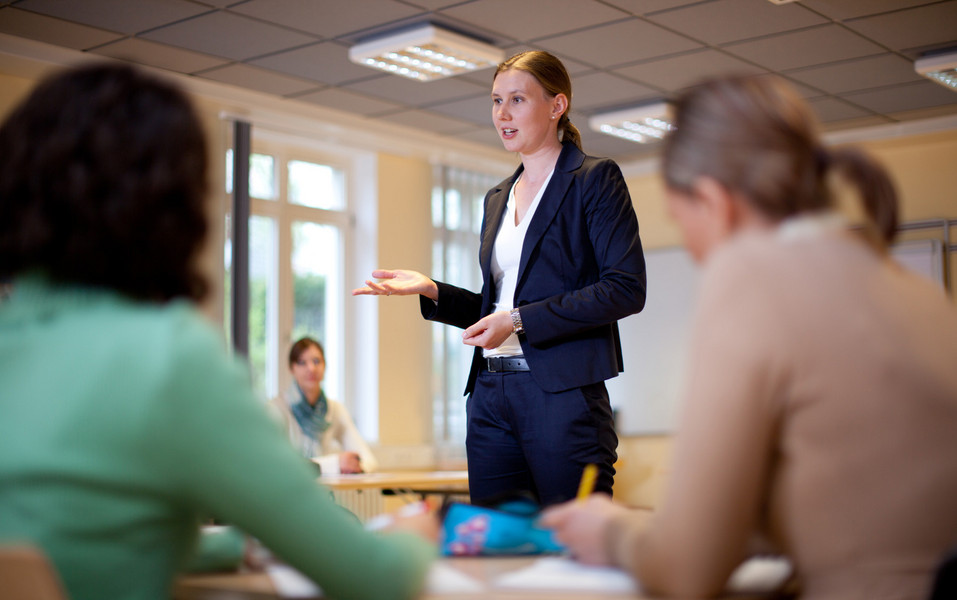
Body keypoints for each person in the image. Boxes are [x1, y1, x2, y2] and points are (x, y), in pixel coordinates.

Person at [0, 62, 436, 600]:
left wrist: (226, 546)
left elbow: (66, 536)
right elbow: (377, 579)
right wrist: (418, 536)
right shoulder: (166, 355)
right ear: (174, 205)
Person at [540, 74, 957, 599]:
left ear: (714, 202)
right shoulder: (910, 287)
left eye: (681, 220)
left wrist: (609, 530)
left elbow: (685, 572)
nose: (693, 250)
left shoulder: (753, 275)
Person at [353, 50, 646, 506]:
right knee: (492, 546)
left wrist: (520, 320)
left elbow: (625, 288)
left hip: (562, 397)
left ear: (557, 105)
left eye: (517, 100)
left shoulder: (594, 179)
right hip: (490, 394)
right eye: (495, 101)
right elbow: (497, 310)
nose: (502, 115)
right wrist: (433, 290)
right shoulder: (496, 197)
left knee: (570, 550)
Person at [268, 336, 378, 474]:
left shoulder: (335, 409)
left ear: (325, 366)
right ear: (291, 368)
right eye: (302, 362)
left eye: (316, 361)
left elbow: (368, 460)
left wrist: (355, 465)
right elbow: (277, 464)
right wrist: (334, 464)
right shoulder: (276, 409)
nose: (311, 369)